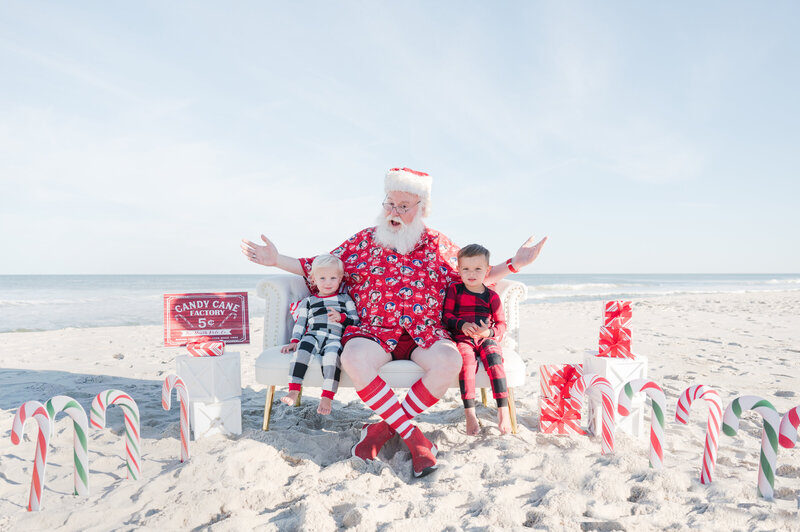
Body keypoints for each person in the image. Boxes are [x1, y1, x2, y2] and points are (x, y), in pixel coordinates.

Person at [241, 167, 547, 478]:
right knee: (353, 357)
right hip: (374, 330)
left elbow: (475, 272)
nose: (393, 212)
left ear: (422, 209)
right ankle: (415, 438)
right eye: (389, 204)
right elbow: (315, 266)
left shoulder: (438, 243)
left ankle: (381, 430)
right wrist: (276, 260)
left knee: (449, 360)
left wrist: (514, 264)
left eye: (403, 206)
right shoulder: (364, 241)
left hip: (425, 330)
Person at [442, 244, 510, 435]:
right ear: (459, 270)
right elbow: (446, 316)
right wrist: (461, 325)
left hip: (485, 338)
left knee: (495, 360)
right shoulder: (455, 290)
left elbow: (502, 325)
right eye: (466, 269)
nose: (471, 273)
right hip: (463, 338)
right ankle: (470, 414)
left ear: (487, 270)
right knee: (467, 363)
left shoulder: (492, 296)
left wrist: (488, 333)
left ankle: (502, 410)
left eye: (478, 269)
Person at [279, 254, 359, 415]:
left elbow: (356, 321)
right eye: (322, 278)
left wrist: (342, 318)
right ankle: (294, 389)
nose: (328, 282)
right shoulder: (308, 301)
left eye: (332, 278)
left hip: (335, 338)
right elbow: (300, 323)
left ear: (340, 278)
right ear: (313, 279)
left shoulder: (345, 299)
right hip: (313, 334)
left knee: (331, 359)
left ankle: (327, 397)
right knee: (301, 352)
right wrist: (294, 340)